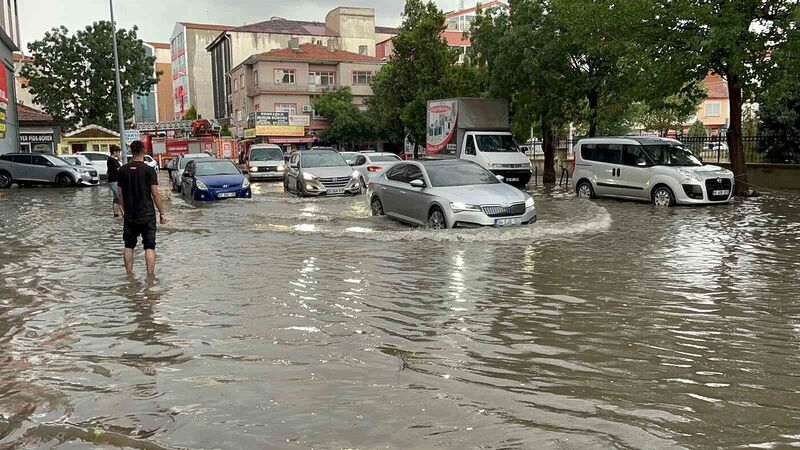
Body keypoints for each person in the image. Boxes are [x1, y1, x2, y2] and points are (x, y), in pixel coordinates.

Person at [117, 140, 168, 276]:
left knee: (128, 246)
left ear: (131, 152)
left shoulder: (122, 170)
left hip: (130, 214)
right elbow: (155, 193)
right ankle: (150, 277)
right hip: (147, 214)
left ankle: (129, 276)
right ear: (144, 151)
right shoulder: (149, 170)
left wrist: (125, 210)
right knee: (149, 246)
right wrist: (162, 213)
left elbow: (120, 194)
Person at [107, 146, 122, 217]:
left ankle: (116, 215)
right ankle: (125, 214)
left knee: (116, 198)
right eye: (118, 152)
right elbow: (119, 169)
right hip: (115, 181)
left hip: (112, 181)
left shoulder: (110, 160)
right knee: (120, 197)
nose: (119, 153)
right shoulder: (113, 160)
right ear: (114, 152)